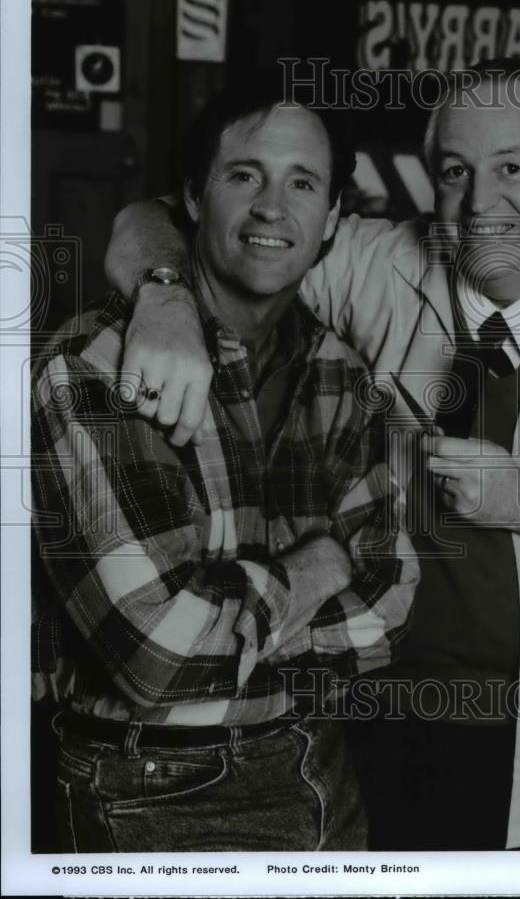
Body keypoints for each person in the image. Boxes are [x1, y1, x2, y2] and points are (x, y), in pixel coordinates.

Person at [104, 58, 520, 850]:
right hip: (355, 705)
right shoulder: (376, 261)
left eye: (512, 167)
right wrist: (163, 297)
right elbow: (158, 217)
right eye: (454, 171)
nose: (479, 203)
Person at [31, 77, 418, 853]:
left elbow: (389, 610)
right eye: (244, 175)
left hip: (322, 772)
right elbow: (159, 658)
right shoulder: (95, 370)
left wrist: (229, 621)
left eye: (302, 183)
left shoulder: (341, 371)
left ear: (334, 216)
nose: (273, 206)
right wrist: (317, 567)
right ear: (193, 197)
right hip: (145, 793)